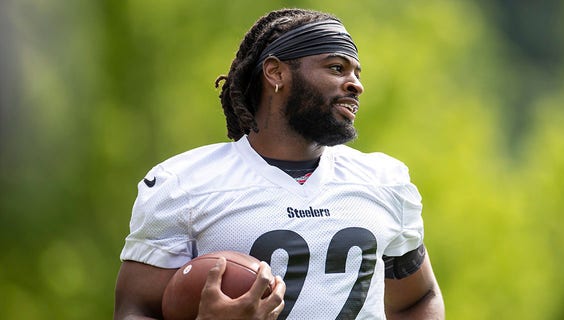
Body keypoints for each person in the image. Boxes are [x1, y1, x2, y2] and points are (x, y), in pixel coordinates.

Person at [114, 8, 444, 320]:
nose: (356, 84)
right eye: (336, 68)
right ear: (276, 72)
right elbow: (134, 310)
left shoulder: (384, 181)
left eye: (357, 73)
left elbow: (419, 298)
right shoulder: (183, 184)